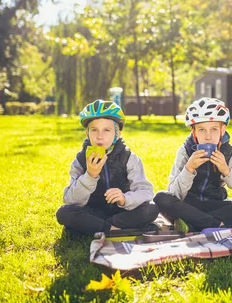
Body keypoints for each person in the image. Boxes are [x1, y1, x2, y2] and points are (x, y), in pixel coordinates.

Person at [153, 97, 232, 232]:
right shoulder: (185, 151)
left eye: (214, 129)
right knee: (161, 198)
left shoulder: (229, 153)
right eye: (201, 130)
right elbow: (174, 193)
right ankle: (220, 225)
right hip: (189, 205)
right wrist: (189, 169)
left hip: (217, 205)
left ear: (222, 130)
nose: (208, 136)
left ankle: (195, 224)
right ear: (193, 132)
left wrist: (226, 171)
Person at [56, 100, 159, 235]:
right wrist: (90, 176)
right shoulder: (80, 160)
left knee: (152, 209)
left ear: (118, 134)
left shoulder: (129, 157)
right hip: (93, 211)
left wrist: (124, 198)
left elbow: (145, 192)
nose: (100, 136)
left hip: (122, 212)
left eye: (107, 130)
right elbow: (71, 200)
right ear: (87, 134)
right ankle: (115, 230)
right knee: (63, 212)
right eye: (94, 130)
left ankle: (100, 228)